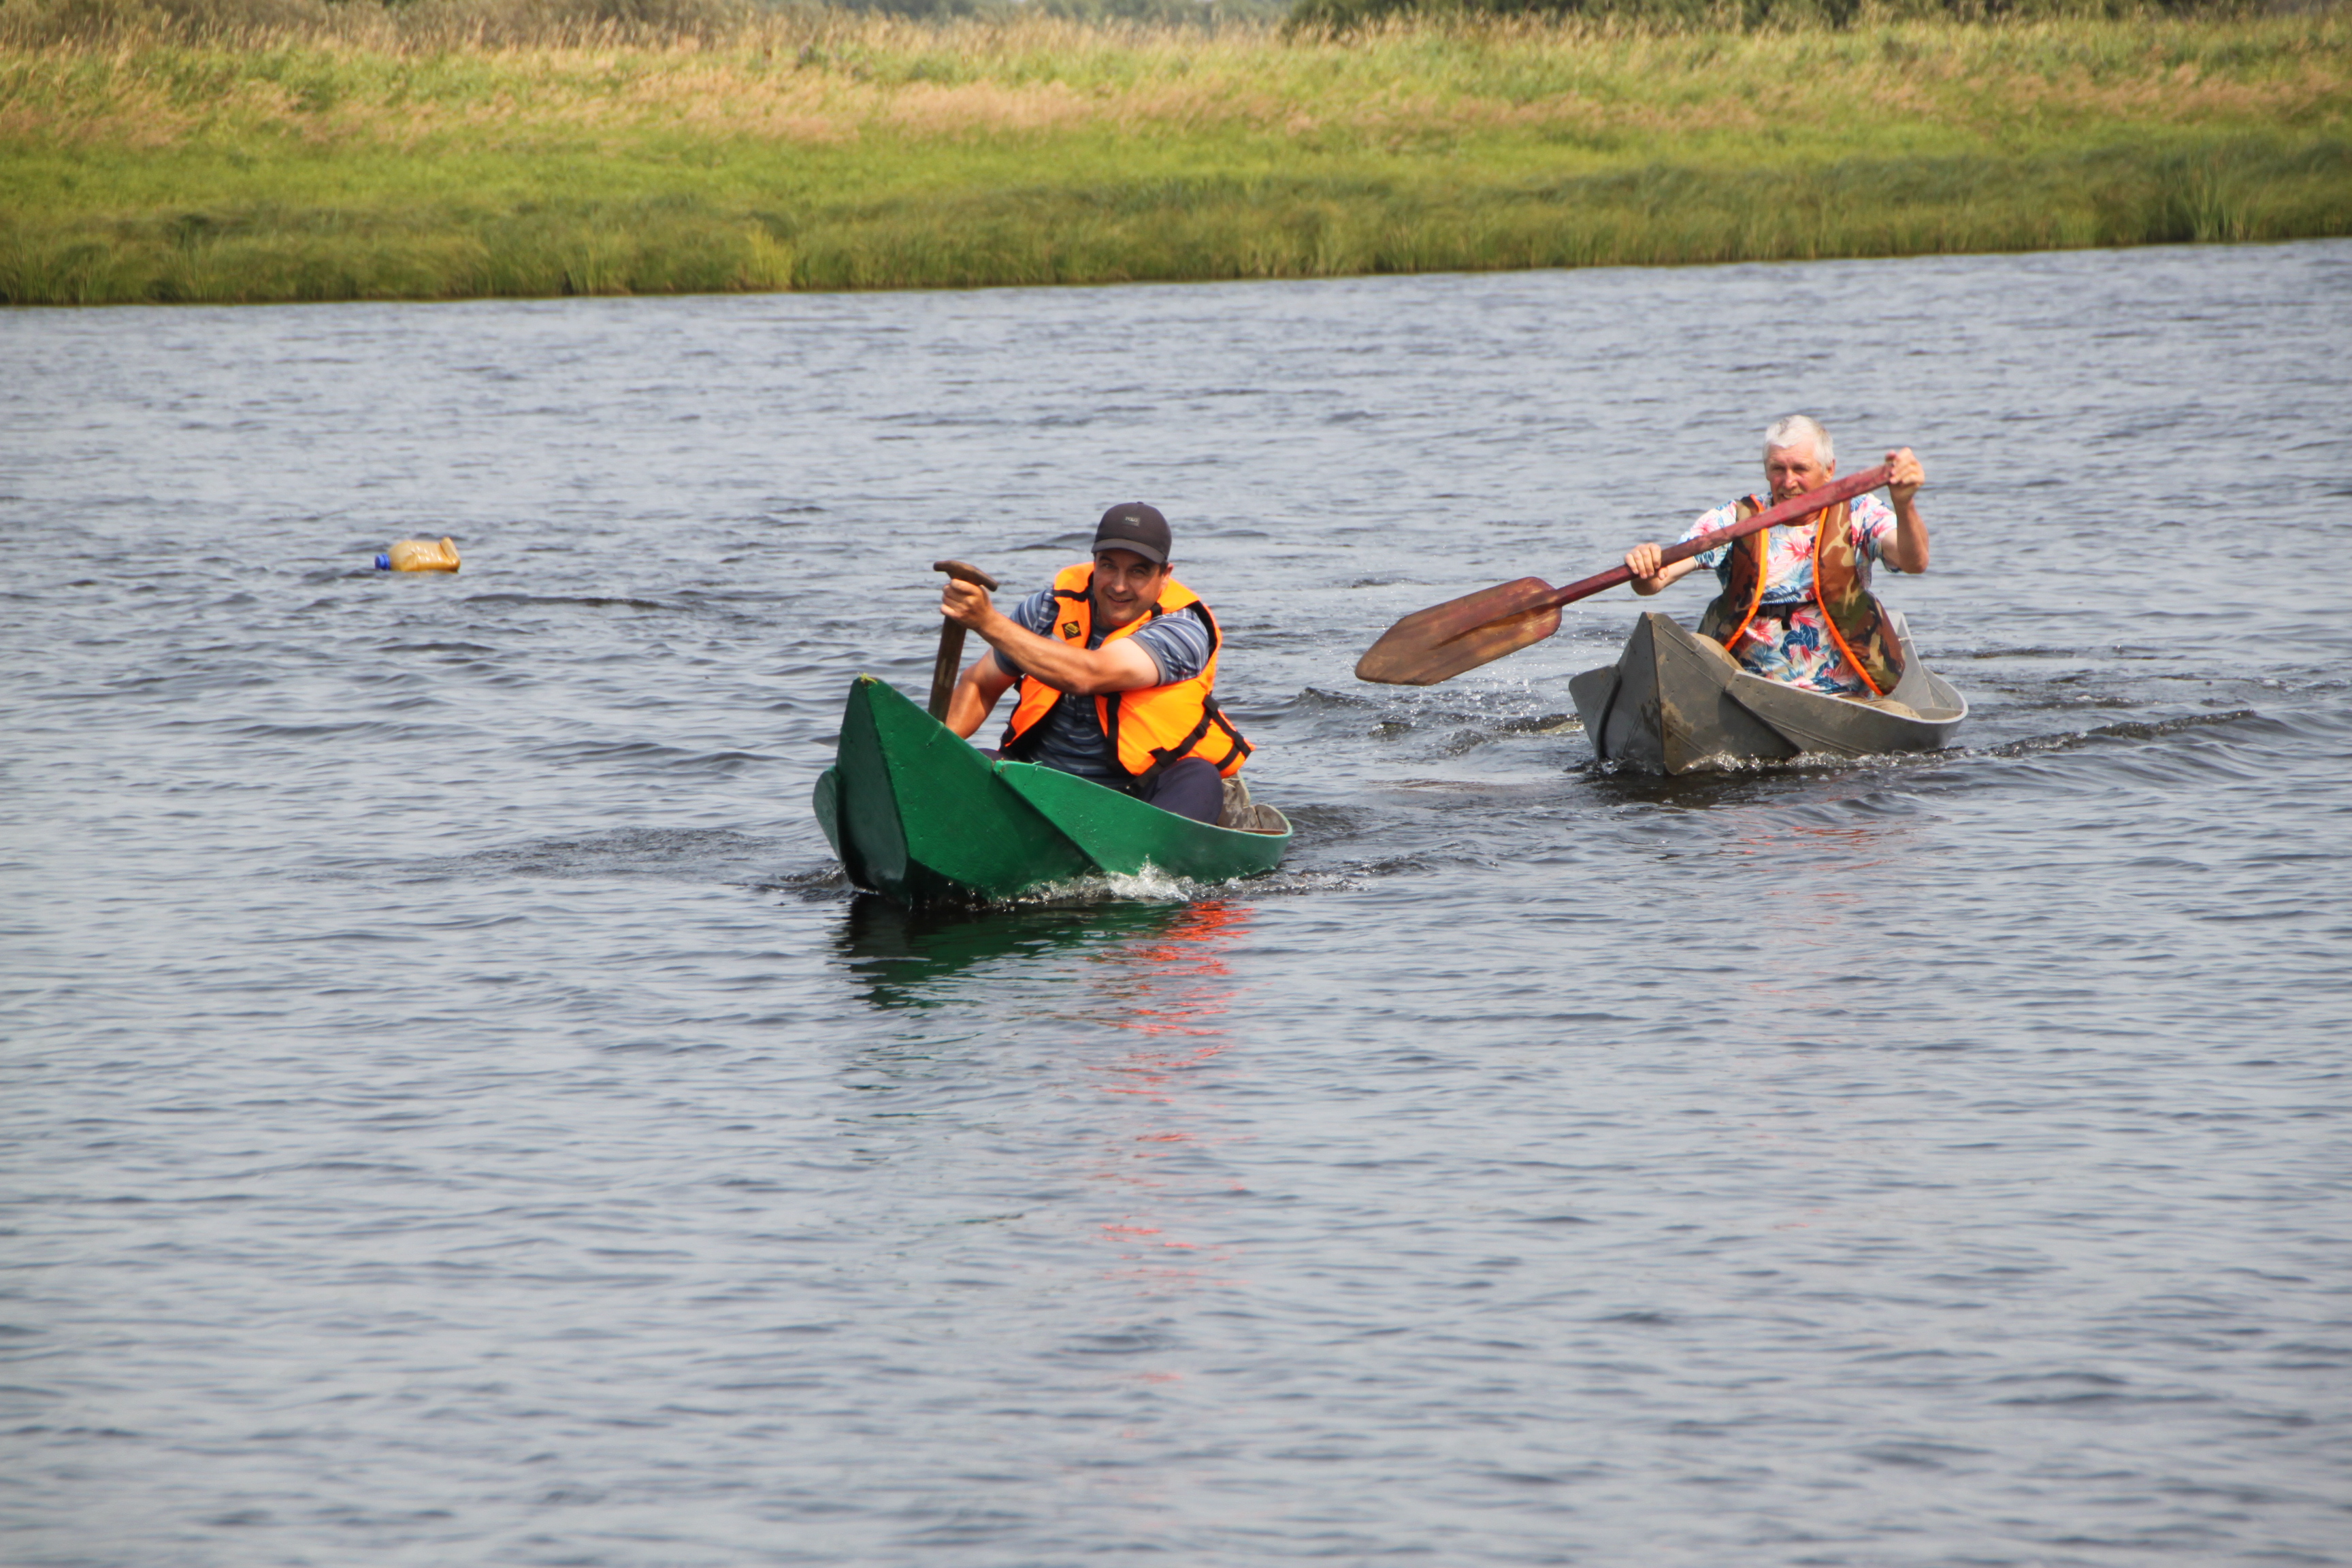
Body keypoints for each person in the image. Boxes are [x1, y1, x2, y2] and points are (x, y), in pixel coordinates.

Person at [940, 503, 1250, 824]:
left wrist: (987, 622)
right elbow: (979, 684)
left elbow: (1089, 675)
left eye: (1138, 571)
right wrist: (929, 749)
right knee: (975, 764)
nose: (1118, 585)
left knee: (1199, 776)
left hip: (1136, 796)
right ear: (1094, 564)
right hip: (1041, 784)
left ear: (1164, 576)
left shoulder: (1183, 629)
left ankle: (1147, 861)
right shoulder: (1047, 610)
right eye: (1108, 566)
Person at [1622, 416, 1930, 699]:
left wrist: (1904, 505)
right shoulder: (1735, 518)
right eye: (1778, 469)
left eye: (1801, 469)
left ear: (1829, 470)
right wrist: (1647, 565)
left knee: (1896, 714)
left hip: (1839, 693)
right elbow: (1656, 581)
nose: (1789, 482)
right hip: (1744, 690)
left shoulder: (1860, 511)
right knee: (1694, 647)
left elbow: (1914, 561)